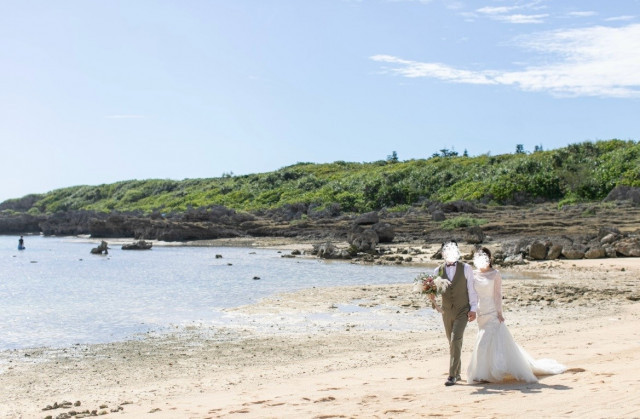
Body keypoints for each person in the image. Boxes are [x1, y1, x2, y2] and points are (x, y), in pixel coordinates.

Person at [466, 247, 566, 384]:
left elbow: (497, 295)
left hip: (492, 311)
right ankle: (489, 370)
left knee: (483, 343)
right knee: (488, 342)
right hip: (480, 312)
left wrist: (499, 313)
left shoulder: (495, 274)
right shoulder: (473, 274)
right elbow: (471, 294)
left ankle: (481, 375)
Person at [427, 240, 478, 386]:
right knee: (452, 342)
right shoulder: (438, 271)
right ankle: (458, 372)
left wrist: (473, 309)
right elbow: (434, 291)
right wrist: (431, 297)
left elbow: (471, 290)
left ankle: (452, 376)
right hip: (446, 311)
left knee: (455, 340)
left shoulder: (466, 268)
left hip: (463, 310)